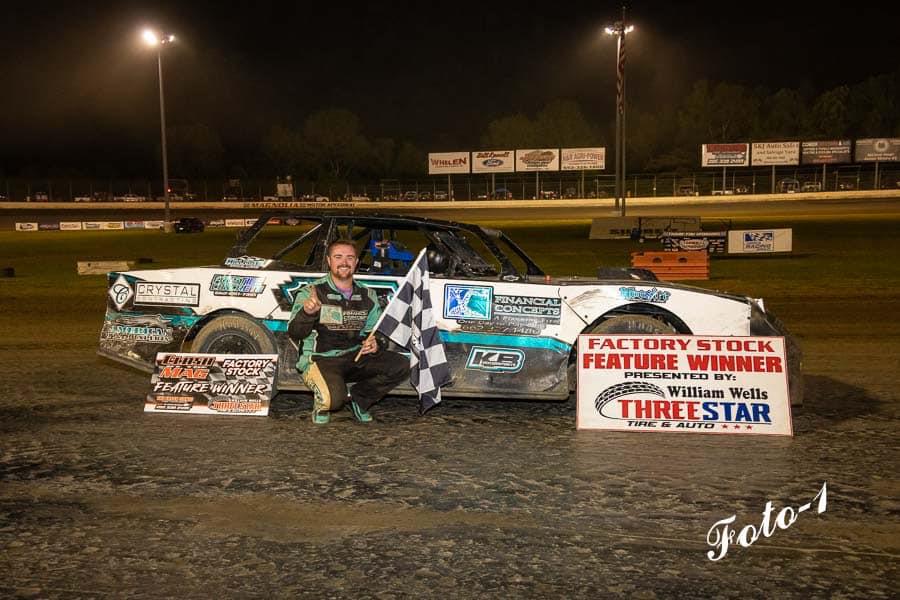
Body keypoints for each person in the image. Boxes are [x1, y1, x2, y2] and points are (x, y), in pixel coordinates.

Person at [288, 239, 409, 424]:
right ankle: (324, 403)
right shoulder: (311, 292)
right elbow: (295, 333)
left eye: (350, 257)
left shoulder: (368, 295)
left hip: (356, 356)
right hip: (322, 359)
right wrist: (307, 313)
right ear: (329, 261)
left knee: (402, 365)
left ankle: (359, 399)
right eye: (338, 257)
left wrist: (376, 343)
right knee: (334, 401)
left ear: (356, 262)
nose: (344, 262)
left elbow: (376, 332)